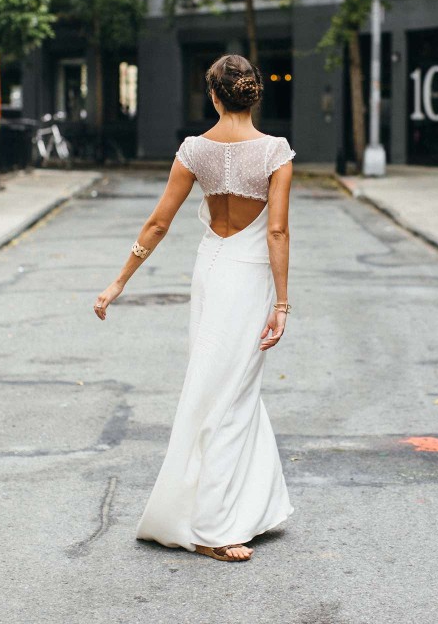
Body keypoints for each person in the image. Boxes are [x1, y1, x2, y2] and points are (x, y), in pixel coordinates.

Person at [93, 53, 295, 562]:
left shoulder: (194, 150)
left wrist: (119, 281)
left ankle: (254, 506)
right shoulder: (276, 153)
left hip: (210, 271)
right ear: (254, 95)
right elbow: (276, 231)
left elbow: (158, 223)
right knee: (231, 390)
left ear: (213, 96)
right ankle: (212, 526)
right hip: (248, 279)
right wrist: (284, 303)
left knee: (218, 387)